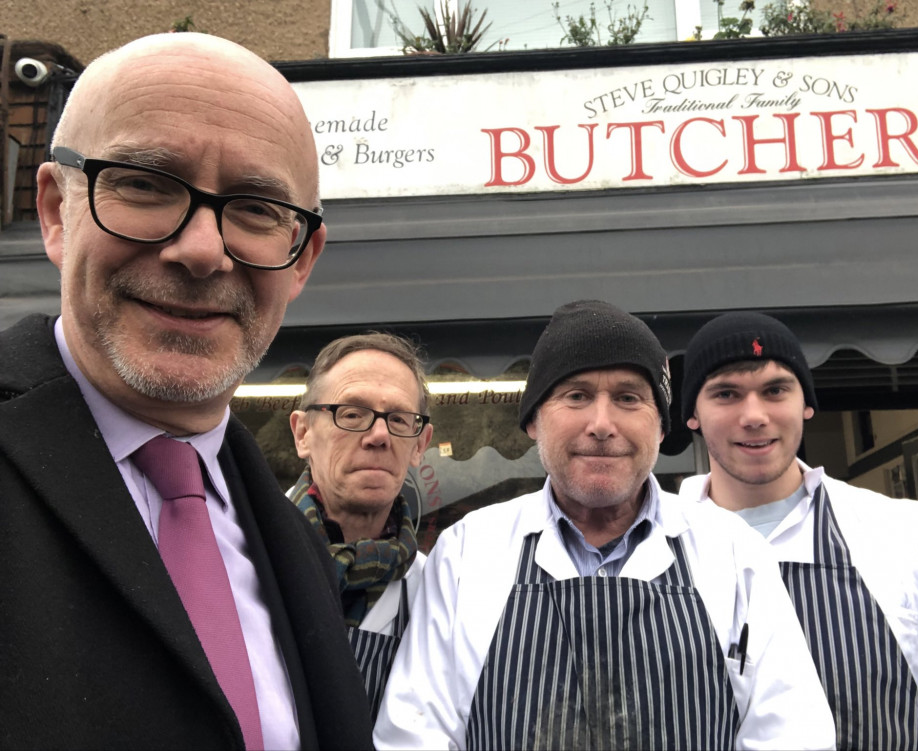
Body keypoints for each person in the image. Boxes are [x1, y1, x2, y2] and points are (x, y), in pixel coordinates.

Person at [0, 33, 373, 750]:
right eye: (144, 183)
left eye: (258, 208)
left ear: (302, 260)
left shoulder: (293, 542)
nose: (202, 250)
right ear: (55, 210)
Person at [374, 299, 835, 749]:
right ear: (534, 419)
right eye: (576, 396)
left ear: (659, 426)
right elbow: (416, 733)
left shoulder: (734, 553)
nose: (601, 423)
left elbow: (792, 733)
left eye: (628, 398)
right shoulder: (465, 553)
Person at [679, 311, 918, 750]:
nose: (753, 415)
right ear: (692, 414)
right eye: (726, 394)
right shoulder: (646, 553)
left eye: (775, 390)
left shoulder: (913, 538)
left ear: (806, 404)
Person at [287, 333, 434, 721]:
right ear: (303, 433)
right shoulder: (242, 555)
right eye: (352, 414)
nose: (380, 436)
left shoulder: (435, 592)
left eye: (400, 419)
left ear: (420, 445)